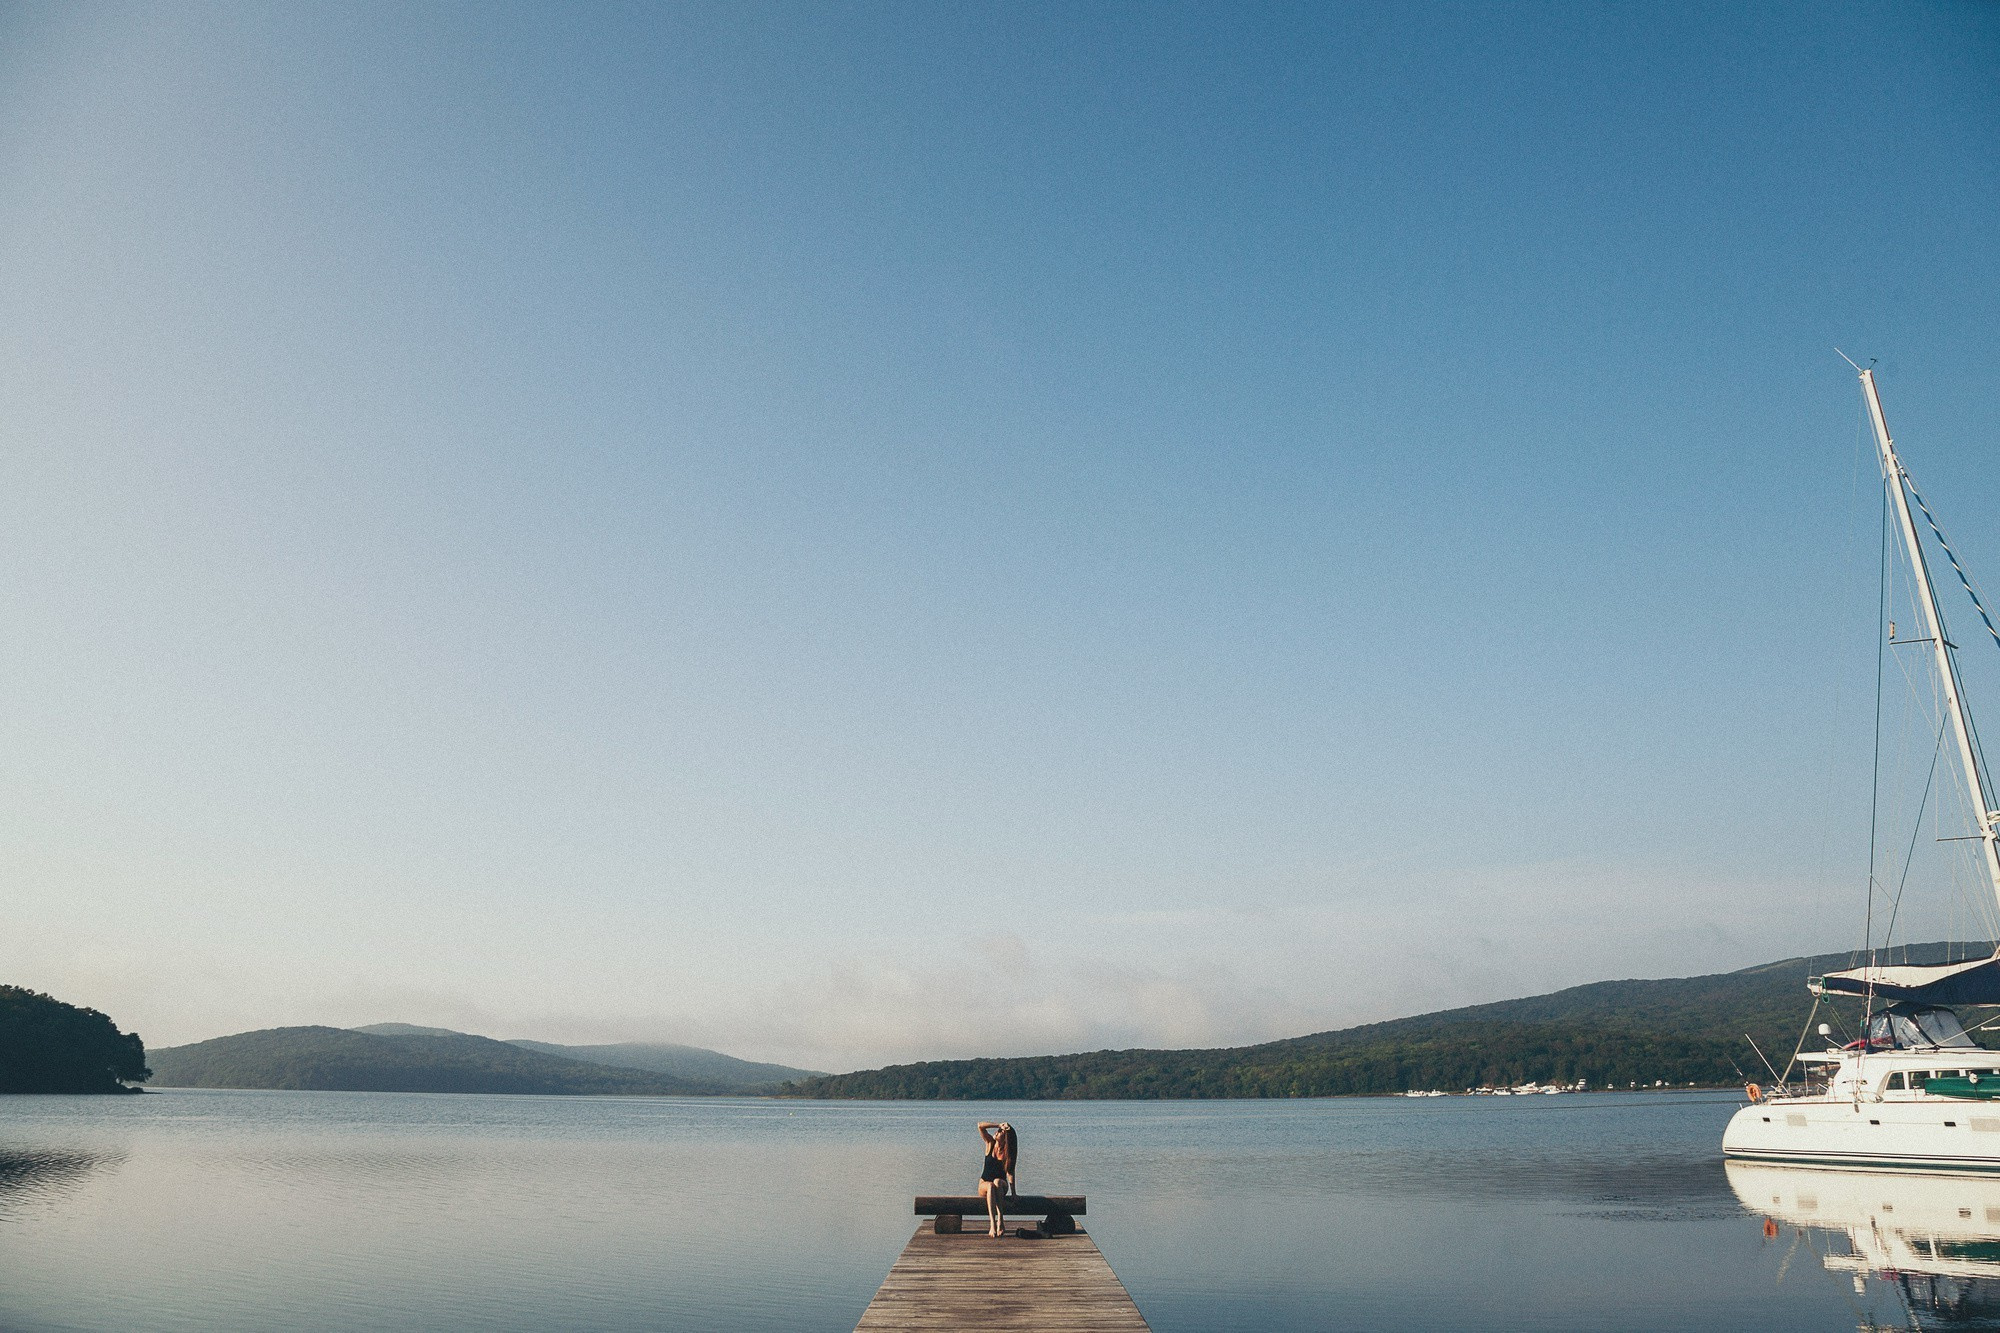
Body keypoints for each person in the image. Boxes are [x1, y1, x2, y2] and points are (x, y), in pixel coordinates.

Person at [976, 1120, 1017, 1237]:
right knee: (990, 1185)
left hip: (1001, 1186)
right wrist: (998, 1125)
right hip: (984, 1185)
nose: (997, 1132)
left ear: (1005, 1138)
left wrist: (1014, 1193)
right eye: (998, 1130)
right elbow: (980, 1126)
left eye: (1000, 1131)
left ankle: (1001, 1220)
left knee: (997, 1182)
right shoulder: (990, 1143)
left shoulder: (1007, 1153)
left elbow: (1010, 1173)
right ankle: (992, 1224)